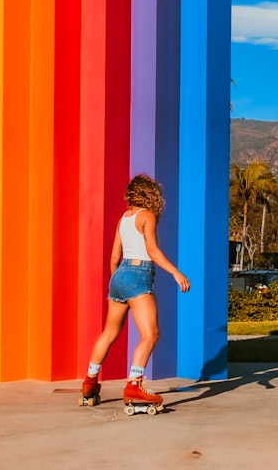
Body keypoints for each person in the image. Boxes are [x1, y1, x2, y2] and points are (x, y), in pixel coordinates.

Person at [80, 173, 190, 409]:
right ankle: (134, 384)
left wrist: (118, 282)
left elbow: (113, 257)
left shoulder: (124, 218)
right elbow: (152, 250)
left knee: (109, 333)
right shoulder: (146, 216)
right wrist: (175, 272)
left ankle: (89, 381)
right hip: (138, 275)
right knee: (151, 334)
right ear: (149, 194)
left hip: (119, 276)